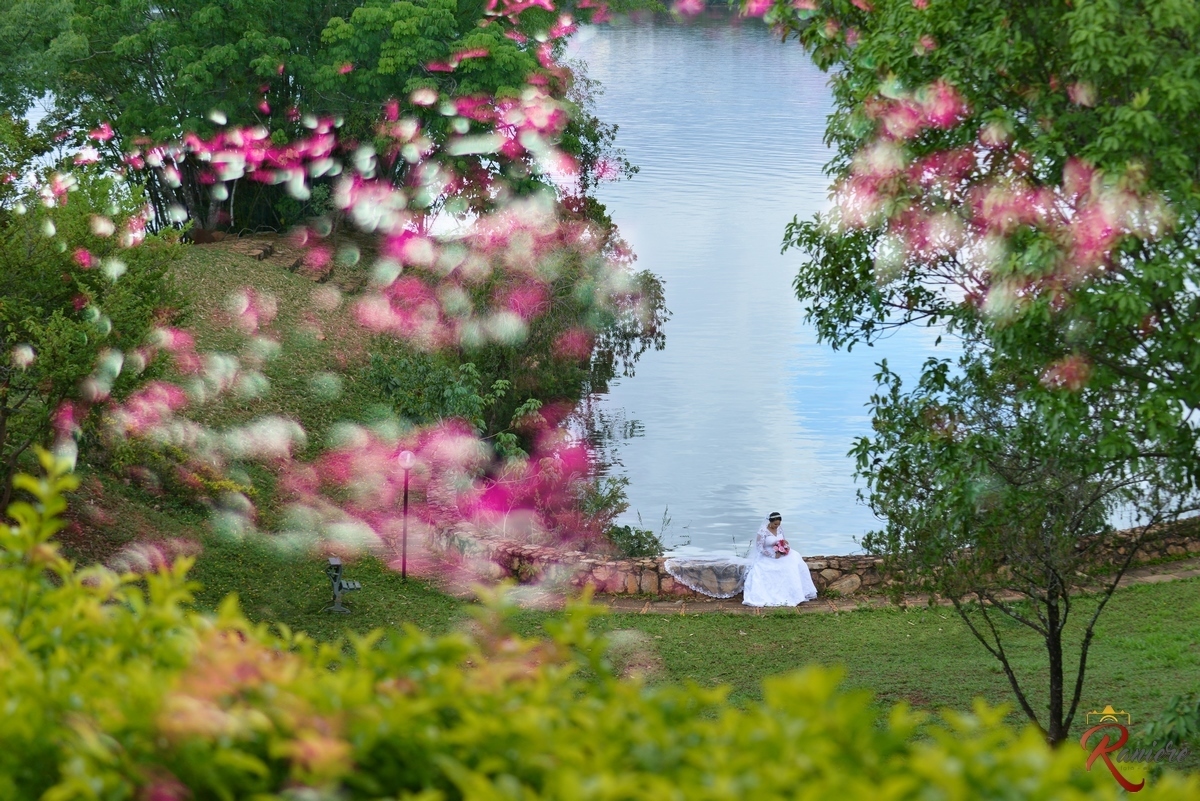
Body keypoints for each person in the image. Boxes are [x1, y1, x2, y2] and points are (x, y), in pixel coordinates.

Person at [742, 512, 818, 607]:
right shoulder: (762, 531)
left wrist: (785, 547)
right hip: (767, 555)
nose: (777, 526)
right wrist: (772, 555)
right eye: (775, 524)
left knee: (795, 560)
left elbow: (783, 540)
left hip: (780, 553)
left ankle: (796, 593)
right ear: (770, 521)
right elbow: (760, 548)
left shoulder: (779, 528)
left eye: (778, 524)